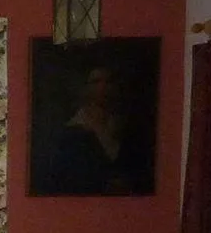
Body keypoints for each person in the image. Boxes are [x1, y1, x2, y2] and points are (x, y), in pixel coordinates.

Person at [46, 64, 148, 194]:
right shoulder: (71, 133)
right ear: (85, 88)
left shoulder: (128, 130)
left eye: (108, 82)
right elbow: (66, 179)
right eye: (96, 82)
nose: (103, 87)